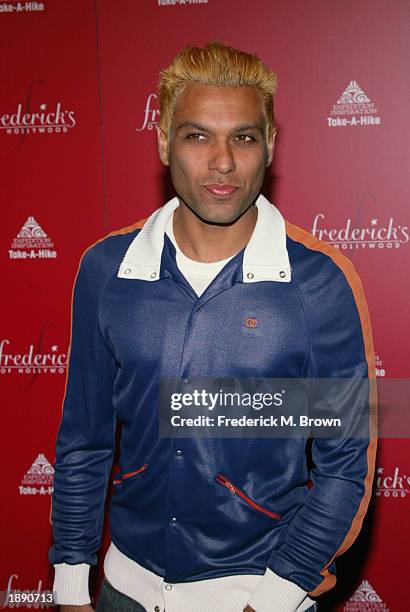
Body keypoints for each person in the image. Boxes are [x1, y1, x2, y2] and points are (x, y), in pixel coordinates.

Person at [49, 42, 377, 612]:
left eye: (244, 137)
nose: (222, 162)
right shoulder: (106, 269)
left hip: (259, 593)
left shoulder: (321, 283)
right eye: (197, 135)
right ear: (162, 141)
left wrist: (272, 599)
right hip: (123, 589)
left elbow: (345, 469)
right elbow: (84, 440)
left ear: (270, 144)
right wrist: (72, 582)